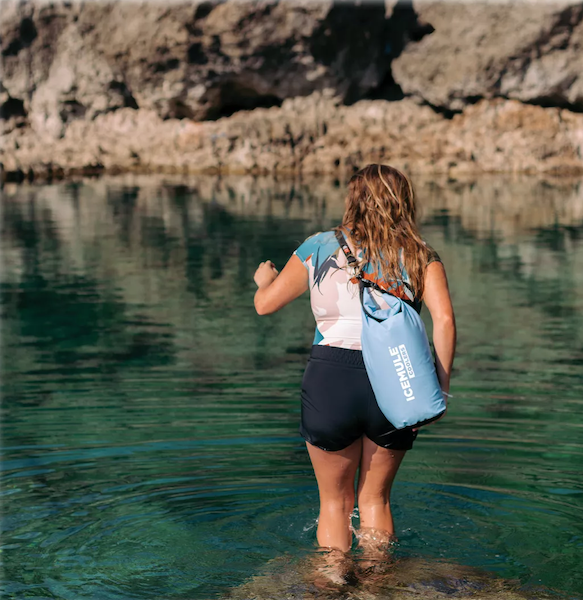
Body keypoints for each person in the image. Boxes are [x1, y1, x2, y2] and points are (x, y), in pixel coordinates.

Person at [253, 164, 456, 553]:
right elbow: (444, 320)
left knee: (335, 504)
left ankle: (331, 582)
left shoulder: (319, 245)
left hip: (332, 378)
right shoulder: (421, 254)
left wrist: (265, 279)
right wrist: (440, 391)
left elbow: (265, 305)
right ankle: (379, 586)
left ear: (353, 199)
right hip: (398, 379)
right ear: (404, 203)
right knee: (375, 501)